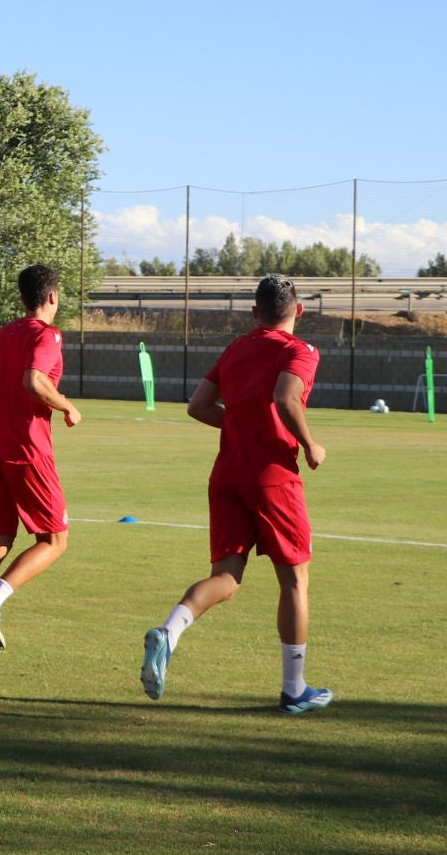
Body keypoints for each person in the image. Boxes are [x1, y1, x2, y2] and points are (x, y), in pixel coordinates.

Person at [141, 274, 332, 713]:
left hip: (227, 475)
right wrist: (309, 444)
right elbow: (287, 397)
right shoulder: (300, 350)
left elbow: (198, 406)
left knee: (227, 578)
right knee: (294, 580)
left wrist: (243, 426)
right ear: (298, 311)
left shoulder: (236, 348)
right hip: (272, 479)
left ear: (254, 313)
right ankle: (294, 688)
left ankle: (169, 632)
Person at [0, 264, 80, 654]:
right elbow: (34, 380)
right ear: (52, 298)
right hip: (28, 451)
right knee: (54, 539)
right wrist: (66, 406)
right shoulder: (48, 335)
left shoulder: (3, 335)